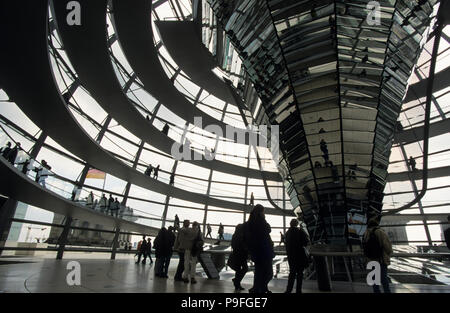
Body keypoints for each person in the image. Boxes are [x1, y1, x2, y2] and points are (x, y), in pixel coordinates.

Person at [243, 204, 274, 293]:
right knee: (268, 273)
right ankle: (260, 288)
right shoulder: (260, 222)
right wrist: (264, 219)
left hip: (257, 252)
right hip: (264, 251)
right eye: (263, 211)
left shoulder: (251, 222)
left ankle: (258, 289)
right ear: (261, 212)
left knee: (259, 272)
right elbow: (268, 229)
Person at [363, 218, 393, 293]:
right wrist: (389, 253)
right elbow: (387, 246)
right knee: (384, 278)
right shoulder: (380, 232)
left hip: (371, 259)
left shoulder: (366, 233)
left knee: (374, 279)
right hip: (381, 259)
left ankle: (376, 291)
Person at [284, 219, 309, 293]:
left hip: (291, 256)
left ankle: (289, 289)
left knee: (292, 273)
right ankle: (298, 290)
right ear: (297, 224)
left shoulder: (287, 233)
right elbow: (305, 242)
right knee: (300, 274)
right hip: (299, 256)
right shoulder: (300, 231)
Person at [229, 223, 248, 291]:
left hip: (236, 255)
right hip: (241, 255)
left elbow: (233, 245)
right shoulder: (242, 235)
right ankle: (237, 281)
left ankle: (237, 284)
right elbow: (243, 245)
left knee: (238, 270)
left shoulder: (235, 235)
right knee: (245, 268)